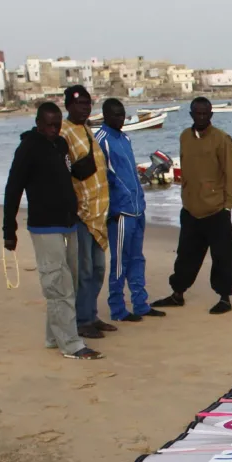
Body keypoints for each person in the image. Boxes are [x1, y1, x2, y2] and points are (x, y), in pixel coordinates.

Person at [3, 102, 101, 360]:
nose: (54, 129)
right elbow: (13, 188)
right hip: (44, 227)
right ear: (38, 123)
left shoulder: (60, 144)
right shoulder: (28, 148)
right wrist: (9, 229)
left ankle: (53, 337)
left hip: (68, 223)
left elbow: (67, 174)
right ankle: (71, 344)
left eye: (57, 125)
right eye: (49, 125)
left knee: (71, 283)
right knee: (58, 285)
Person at [152, 96, 232, 314]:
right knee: (186, 256)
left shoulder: (221, 139)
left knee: (222, 257)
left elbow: (231, 173)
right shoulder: (184, 137)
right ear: (191, 114)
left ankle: (224, 298)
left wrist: (228, 205)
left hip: (216, 210)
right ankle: (177, 294)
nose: (201, 117)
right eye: (197, 113)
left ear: (211, 114)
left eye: (205, 113)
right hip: (190, 209)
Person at [95, 99, 164, 323]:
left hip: (137, 209)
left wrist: (141, 200)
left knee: (137, 258)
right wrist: (112, 209)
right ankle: (117, 308)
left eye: (122, 114)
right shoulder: (101, 140)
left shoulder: (125, 138)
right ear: (105, 115)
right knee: (120, 262)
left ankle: (140, 304)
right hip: (121, 213)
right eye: (115, 115)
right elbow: (101, 179)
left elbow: (130, 173)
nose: (120, 119)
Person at [61, 84, 116, 340]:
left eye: (87, 104)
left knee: (98, 269)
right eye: (79, 104)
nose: (84, 108)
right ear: (68, 106)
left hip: (98, 212)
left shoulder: (87, 128)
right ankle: (82, 320)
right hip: (81, 213)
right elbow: (65, 171)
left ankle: (91, 314)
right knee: (83, 270)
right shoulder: (64, 132)